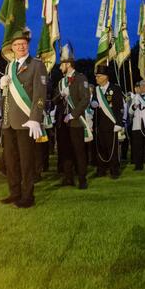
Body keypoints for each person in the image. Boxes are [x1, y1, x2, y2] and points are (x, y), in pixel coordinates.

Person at [0, 29, 47, 208]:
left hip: (26, 121)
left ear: (28, 46)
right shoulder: (9, 67)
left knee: (27, 161)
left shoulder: (36, 65)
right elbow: (9, 96)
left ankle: (28, 196)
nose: (20, 47)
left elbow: (40, 94)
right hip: (9, 121)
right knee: (11, 160)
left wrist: (35, 117)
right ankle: (14, 192)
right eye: (17, 44)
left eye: (23, 44)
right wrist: (3, 86)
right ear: (12, 47)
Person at [53, 43, 91, 188]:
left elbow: (85, 99)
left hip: (75, 122)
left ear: (68, 64)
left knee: (79, 151)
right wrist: (61, 94)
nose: (59, 67)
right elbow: (54, 100)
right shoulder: (61, 82)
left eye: (61, 64)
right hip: (63, 122)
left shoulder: (81, 78)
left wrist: (73, 115)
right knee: (65, 151)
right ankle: (68, 177)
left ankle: (82, 179)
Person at [91, 65, 125, 178]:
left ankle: (114, 171)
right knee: (100, 148)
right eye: (96, 76)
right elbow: (93, 103)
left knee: (112, 149)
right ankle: (101, 170)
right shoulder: (96, 90)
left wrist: (119, 123)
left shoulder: (115, 89)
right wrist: (93, 104)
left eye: (99, 76)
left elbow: (120, 107)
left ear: (105, 77)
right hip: (99, 123)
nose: (96, 78)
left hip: (111, 123)